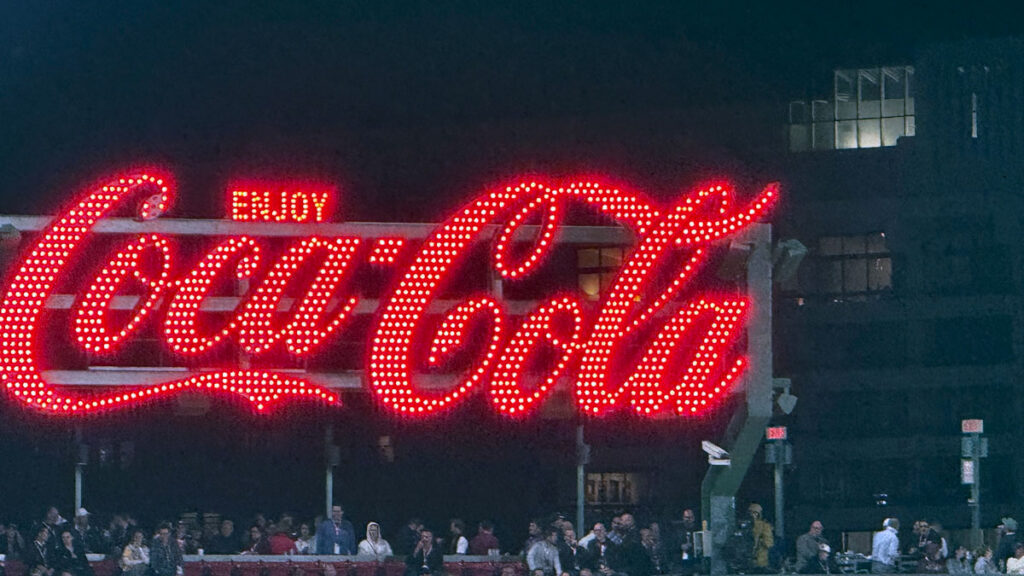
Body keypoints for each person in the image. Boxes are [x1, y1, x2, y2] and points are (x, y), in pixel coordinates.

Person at [748, 504, 773, 570]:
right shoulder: (745, 527)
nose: (752, 515)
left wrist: (760, 540)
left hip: (761, 562)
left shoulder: (765, 526)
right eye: (750, 512)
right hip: (746, 562)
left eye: (755, 513)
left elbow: (769, 543)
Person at [676, 509, 701, 575]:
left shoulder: (698, 529)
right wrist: (681, 546)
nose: (689, 520)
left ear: (694, 518)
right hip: (681, 562)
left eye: (691, 517)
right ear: (683, 518)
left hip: (695, 561)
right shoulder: (678, 531)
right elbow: (673, 545)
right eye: (687, 517)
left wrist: (692, 545)